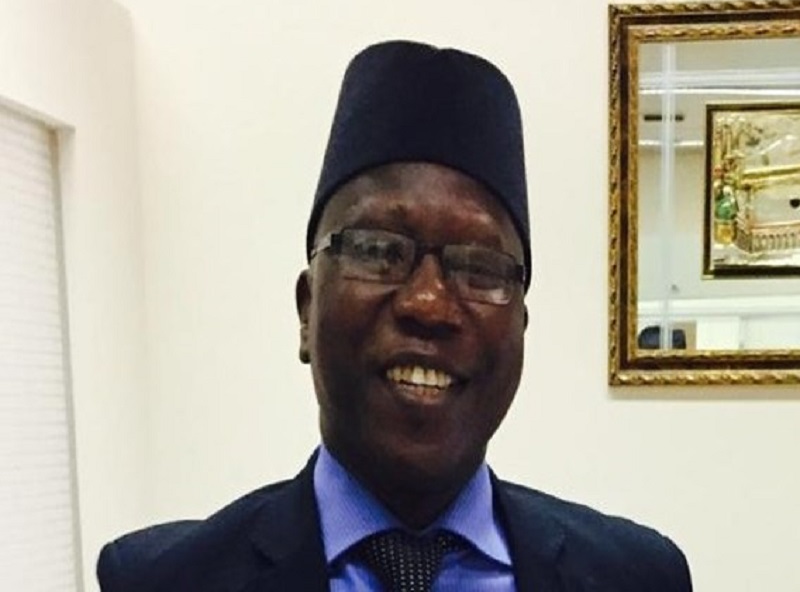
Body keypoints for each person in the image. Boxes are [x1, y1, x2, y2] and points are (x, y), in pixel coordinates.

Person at [97, 40, 693, 592]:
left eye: (479, 265)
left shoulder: (636, 577)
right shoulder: (163, 581)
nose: (428, 304)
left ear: (521, 328)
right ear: (306, 308)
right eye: (378, 251)